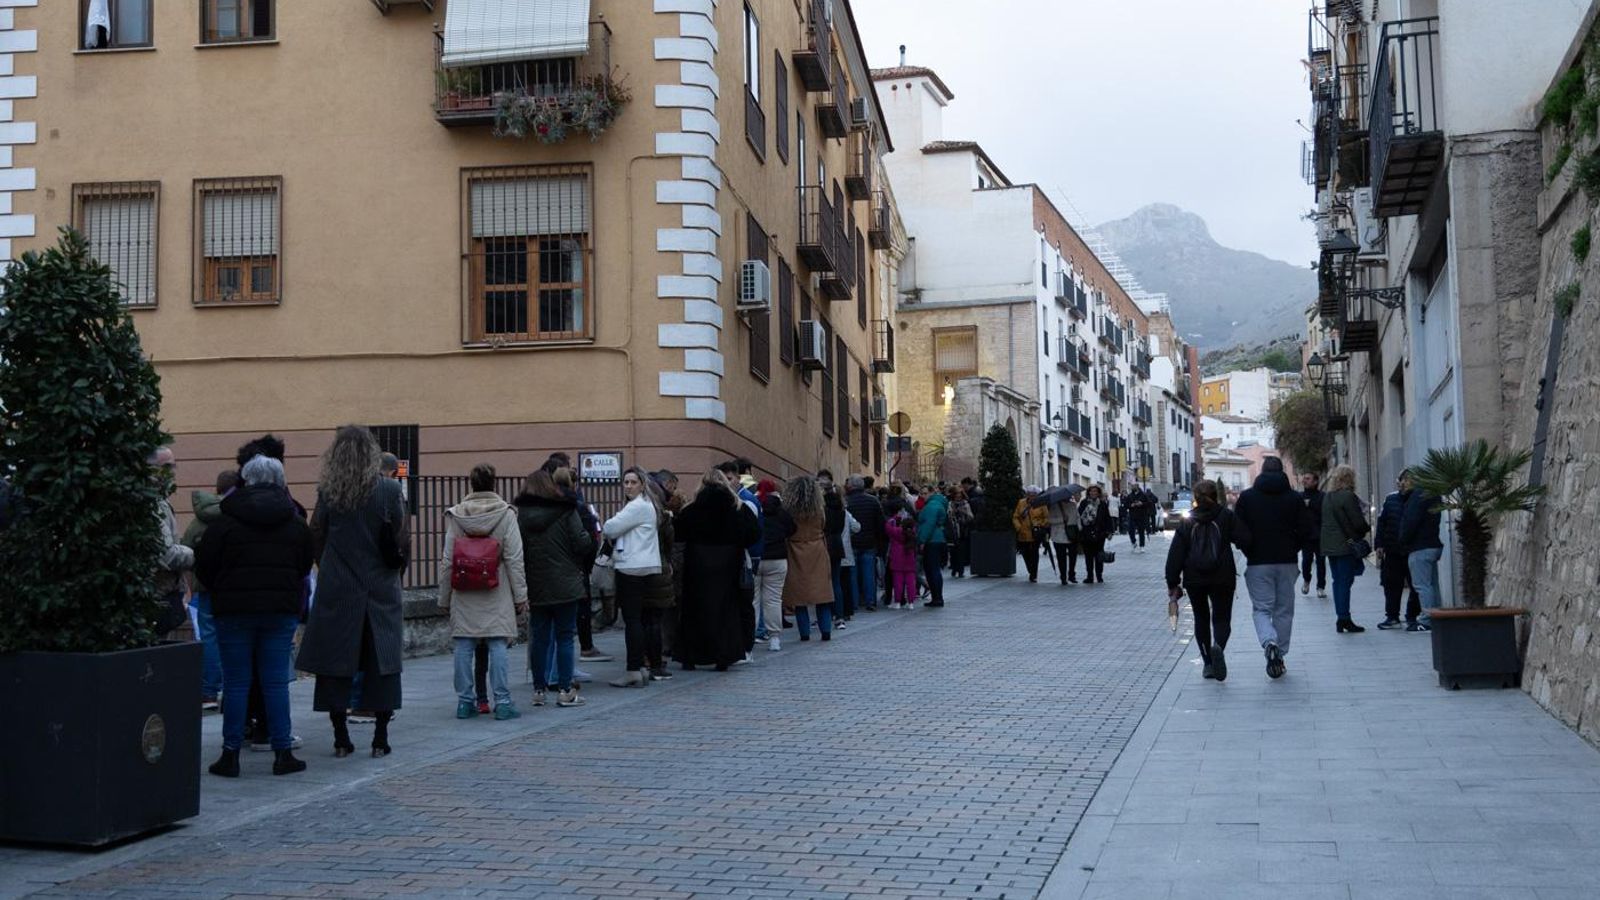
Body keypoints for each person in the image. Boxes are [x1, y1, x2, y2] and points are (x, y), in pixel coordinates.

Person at [195, 456, 315, 777]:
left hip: (233, 611)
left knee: (236, 682)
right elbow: (304, 565)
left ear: (245, 480)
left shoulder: (225, 521)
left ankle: (230, 754)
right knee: (275, 682)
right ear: (280, 480)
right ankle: (282, 752)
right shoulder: (294, 522)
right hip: (279, 611)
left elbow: (204, 567)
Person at [297, 425, 408, 759]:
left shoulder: (330, 491)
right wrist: (392, 572)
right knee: (382, 660)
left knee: (337, 661)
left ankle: (341, 738)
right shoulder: (388, 489)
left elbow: (316, 534)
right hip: (380, 586)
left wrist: (329, 567)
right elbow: (400, 538)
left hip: (339, 586)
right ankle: (380, 737)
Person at [437, 464, 527, 721]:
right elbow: (514, 558)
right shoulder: (506, 514)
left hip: (464, 588)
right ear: (494, 483)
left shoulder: (456, 516)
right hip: (495, 587)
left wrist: (444, 597)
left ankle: (465, 702)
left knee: (464, 644)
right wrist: (521, 596)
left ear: (471, 484)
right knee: (497, 642)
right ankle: (503, 701)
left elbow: (447, 560)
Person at [516, 469, 593, 707]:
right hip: (565, 583)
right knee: (565, 637)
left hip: (536, 583)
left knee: (540, 638)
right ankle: (565, 689)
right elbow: (582, 543)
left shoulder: (522, 516)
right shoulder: (566, 510)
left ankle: (539, 689)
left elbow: (519, 551)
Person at [675, 470, 762, 671]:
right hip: (728, 562)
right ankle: (723, 655)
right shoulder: (737, 508)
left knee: (694, 609)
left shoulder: (692, 509)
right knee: (726, 610)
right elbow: (754, 533)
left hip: (697, 562)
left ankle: (691, 656)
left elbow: (678, 532)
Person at [1165, 480, 1251, 681]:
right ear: (1216, 495)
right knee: (1222, 618)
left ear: (1195, 497)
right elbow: (1245, 540)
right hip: (1222, 576)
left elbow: (1176, 553)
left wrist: (1172, 582)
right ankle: (1218, 646)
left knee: (1201, 618)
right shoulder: (1226, 516)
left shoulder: (1187, 521)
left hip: (1194, 578)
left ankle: (1208, 664)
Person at [1233, 456, 1307, 679]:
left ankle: (1269, 641)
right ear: (1282, 471)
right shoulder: (1294, 498)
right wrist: (1294, 547)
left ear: (1261, 472)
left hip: (1258, 562)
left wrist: (1249, 550)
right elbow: (1306, 529)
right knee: (1284, 610)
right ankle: (1280, 654)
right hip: (1287, 561)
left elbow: (1239, 530)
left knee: (1262, 608)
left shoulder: (1247, 498)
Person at [182, 469, 240, 711]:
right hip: (233, 589)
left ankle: (208, 692)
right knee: (235, 638)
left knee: (208, 638)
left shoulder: (198, 520)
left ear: (217, 489)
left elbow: (184, 550)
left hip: (204, 588)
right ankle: (233, 690)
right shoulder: (237, 515)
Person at [602, 466, 664, 686]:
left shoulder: (636, 506)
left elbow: (609, 528)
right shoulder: (648, 504)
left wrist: (614, 527)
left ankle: (633, 669)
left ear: (642, 484)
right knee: (642, 619)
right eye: (626, 482)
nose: (628, 486)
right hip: (646, 565)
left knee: (633, 620)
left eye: (633, 482)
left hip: (631, 566)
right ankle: (641, 668)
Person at [781, 476, 834, 640]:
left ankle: (804, 633)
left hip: (795, 549)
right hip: (817, 549)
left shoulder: (789, 510)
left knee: (799, 596)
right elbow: (824, 525)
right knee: (822, 594)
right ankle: (826, 631)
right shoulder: (819, 509)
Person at [150, 447, 195, 637]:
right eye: (167, 466)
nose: (172, 471)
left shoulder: (159, 500)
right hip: (158, 593)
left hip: (161, 591)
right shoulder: (154, 502)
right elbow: (165, 553)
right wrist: (193, 553)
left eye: (173, 465)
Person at [1321, 464, 1370, 634]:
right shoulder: (1348, 496)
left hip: (1330, 546)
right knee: (1345, 582)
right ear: (1349, 478)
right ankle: (1344, 618)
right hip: (1345, 546)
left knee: (1337, 581)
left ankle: (1341, 616)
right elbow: (1358, 523)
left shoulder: (1327, 497)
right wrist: (1366, 528)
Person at [1374, 470, 1423, 631]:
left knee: (1415, 585)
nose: (1403, 483)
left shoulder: (1419, 499)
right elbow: (1382, 523)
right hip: (1393, 550)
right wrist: (1379, 545)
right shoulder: (1391, 499)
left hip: (1412, 549)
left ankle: (1412, 616)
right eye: (1401, 480)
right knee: (1391, 585)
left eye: (1407, 480)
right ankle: (1392, 616)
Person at [1400, 475, 1444, 633]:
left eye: (1405, 479)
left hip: (1419, 547)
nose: (1403, 483)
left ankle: (1427, 619)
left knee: (1422, 585)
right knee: (1432, 584)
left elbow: (1410, 522)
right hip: (1432, 544)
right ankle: (1437, 615)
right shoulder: (1433, 494)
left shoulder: (1417, 496)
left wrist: (1403, 540)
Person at [754, 479, 795, 650]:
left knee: (753, 600)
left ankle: (751, 637)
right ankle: (775, 638)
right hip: (777, 559)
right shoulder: (782, 511)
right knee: (773, 600)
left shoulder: (754, 507)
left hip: (756, 558)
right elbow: (792, 529)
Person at [844, 475, 886, 612]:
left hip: (852, 542)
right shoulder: (873, 501)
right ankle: (870, 601)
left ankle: (854, 602)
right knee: (869, 573)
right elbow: (880, 524)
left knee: (853, 575)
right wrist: (880, 542)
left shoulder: (846, 501)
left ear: (850, 487)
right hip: (869, 542)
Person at [916, 485, 950, 607]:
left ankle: (937, 598)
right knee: (933, 570)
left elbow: (928, 525)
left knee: (932, 570)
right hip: (938, 539)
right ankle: (937, 597)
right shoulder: (938, 504)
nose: (922, 496)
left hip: (932, 541)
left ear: (932, 493)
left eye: (925, 493)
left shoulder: (932, 506)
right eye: (921, 493)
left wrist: (922, 540)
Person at [1012, 486, 1049, 583]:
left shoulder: (1041, 503)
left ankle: (1033, 574)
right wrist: (1018, 527)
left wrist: (1040, 524)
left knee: (1034, 553)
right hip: (1023, 533)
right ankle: (1030, 569)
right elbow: (1015, 517)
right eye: (1029, 494)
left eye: (1033, 494)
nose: (1031, 496)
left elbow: (1046, 517)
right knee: (1025, 553)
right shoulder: (1021, 503)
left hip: (1035, 533)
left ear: (1037, 495)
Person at [1300, 472, 1328, 599]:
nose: (1304, 480)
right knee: (1306, 561)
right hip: (1305, 536)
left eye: (1308, 478)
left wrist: (1309, 505)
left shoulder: (1322, 496)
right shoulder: (1299, 496)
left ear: (1316, 481)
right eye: (1304, 478)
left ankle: (1320, 587)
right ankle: (1306, 580)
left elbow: (1324, 512)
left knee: (1321, 562)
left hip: (1320, 535)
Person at [835, 496, 862, 629]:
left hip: (832, 553)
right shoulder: (846, 513)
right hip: (845, 552)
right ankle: (847, 610)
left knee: (835, 583)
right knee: (845, 583)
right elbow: (857, 527)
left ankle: (836, 611)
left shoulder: (826, 512)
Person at [1077, 486, 1113, 584]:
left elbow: (1107, 518)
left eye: (1095, 491)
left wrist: (1109, 531)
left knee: (1099, 555)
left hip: (1099, 533)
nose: (1093, 493)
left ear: (1098, 493)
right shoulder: (1084, 503)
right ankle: (1090, 576)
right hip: (1087, 533)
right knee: (1088, 556)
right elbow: (1079, 517)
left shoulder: (1102, 504)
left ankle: (1099, 576)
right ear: (1088, 493)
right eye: (1092, 491)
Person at [886, 505, 919, 609]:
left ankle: (898, 602)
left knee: (898, 582)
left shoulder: (896, 532)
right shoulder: (913, 533)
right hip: (910, 559)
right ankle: (911, 602)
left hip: (897, 559)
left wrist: (895, 517)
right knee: (911, 582)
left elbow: (887, 526)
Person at [1047, 491, 1081, 585]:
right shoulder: (1054, 506)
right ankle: (1063, 577)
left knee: (1073, 556)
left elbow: (1077, 517)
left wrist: (1080, 528)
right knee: (1061, 557)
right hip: (1058, 535)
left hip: (1072, 534)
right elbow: (1049, 520)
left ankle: (1072, 574)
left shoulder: (1073, 505)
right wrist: (1061, 520)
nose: (1068, 497)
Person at [947, 488, 973, 577]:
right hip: (953, 530)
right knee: (953, 551)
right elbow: (948, 516)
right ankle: (954, 568)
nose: (958, 497)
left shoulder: (966, 504)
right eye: (956, 495)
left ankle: (961, 571)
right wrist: (953, 512)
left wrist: (964, 512)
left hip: (962, 530)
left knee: (961, 551)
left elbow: (971, 517)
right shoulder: (950, 504)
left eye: (960, 495)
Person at [1125, 485, 1150, 552]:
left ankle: (1142, 546)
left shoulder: (1143, 495)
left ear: (1137, 487)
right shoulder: (1130, 496)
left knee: (1141, 531)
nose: (1132, 487)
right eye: (1132, 486)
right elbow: (1126, 505)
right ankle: (1133, 542)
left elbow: (1148, 503)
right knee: (1130, 530)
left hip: (1141, 515)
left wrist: (1142, 503)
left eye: (1134, 486)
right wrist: (1131, 505)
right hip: (1132, 515)